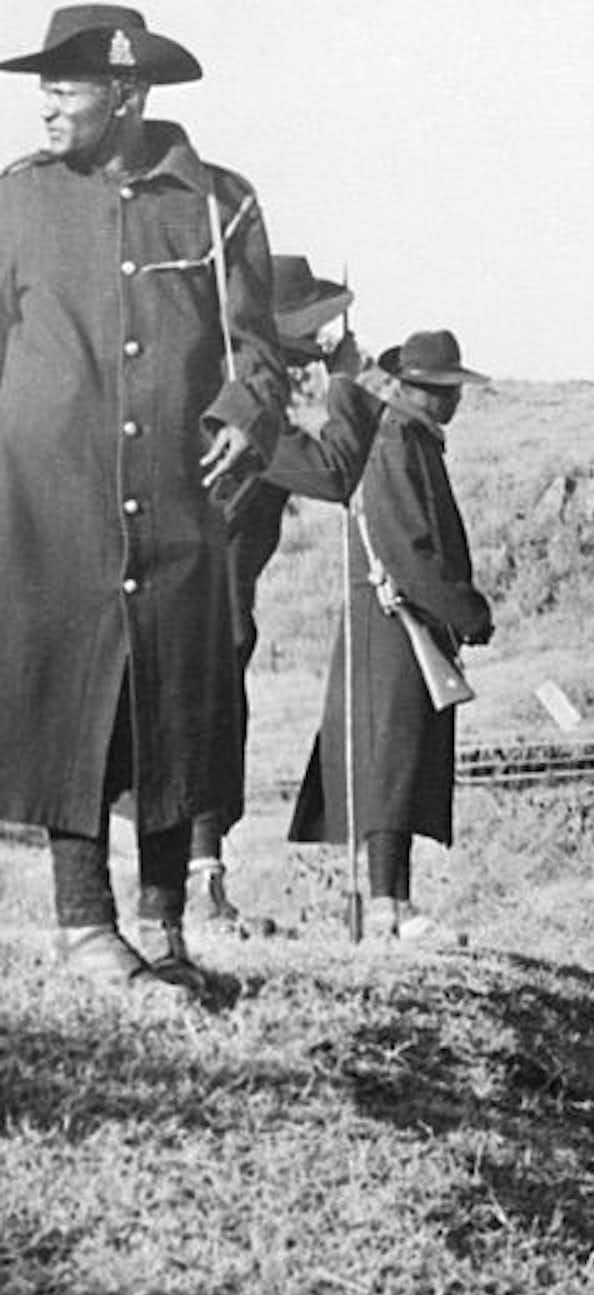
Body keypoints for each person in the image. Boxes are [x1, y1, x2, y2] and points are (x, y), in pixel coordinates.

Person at [0, 5, 287, 1006]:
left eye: (64, 86)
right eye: (42, 85)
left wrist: (248, 412)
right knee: (68, 701)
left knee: (173, 702)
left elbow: (259, 350)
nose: (44, 104)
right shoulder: (17, 202)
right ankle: (85, 924)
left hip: (176, 501)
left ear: (128, 93)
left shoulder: (219, 206)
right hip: (52, 505)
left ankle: (165, 928)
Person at [283, 331, 496, 947]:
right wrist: (467, 611)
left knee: (399, 761)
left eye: (448, 389)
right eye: (440, 390)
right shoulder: (396, 439)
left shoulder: (409, 438)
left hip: (403, 619)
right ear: (414, 389)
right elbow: (408, 548)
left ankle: (395, 904)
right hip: (393, 620)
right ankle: (387, 909)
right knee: (390, 763)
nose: (450, 400)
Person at [188, 253, 355, 934]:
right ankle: (200, 893)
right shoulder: (255, 420)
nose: (319, 348)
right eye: (311, 339)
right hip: (211, 617)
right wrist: (350, 382)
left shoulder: (233, 402)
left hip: (214, 612)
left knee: (205, 746)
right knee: (206, 747)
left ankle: (198, 887)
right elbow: (335, 471)